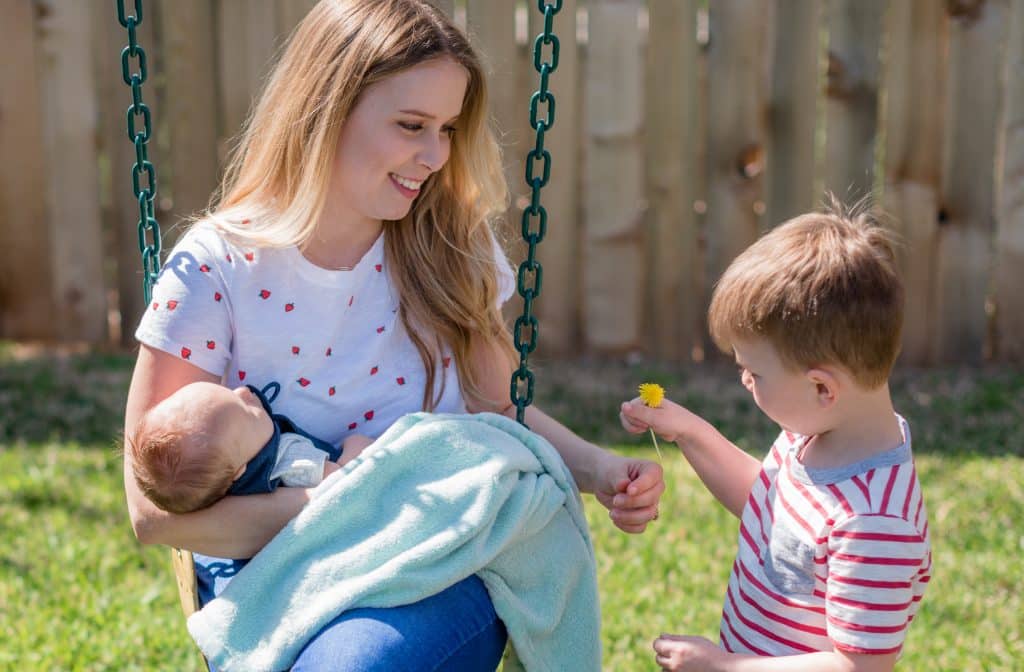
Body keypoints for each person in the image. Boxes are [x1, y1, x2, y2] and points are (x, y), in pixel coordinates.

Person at [122, 1, 664, 670]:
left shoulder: (449, 250)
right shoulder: (215, 269)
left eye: (447, 129)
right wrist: (336, 505)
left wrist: (600, 469)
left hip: (432, 558)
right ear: (325, 110)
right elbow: (153, 514)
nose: (434, 155)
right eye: (411, 126)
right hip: (273, 569)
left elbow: (499, 409)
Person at [621, 203, 931, 672]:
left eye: (755, 372)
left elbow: (860, 666)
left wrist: (724, 667)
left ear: (822, 387)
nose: (744, 380)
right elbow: (768, 504)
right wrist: (689, 431)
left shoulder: (874, 522)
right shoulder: (815, 433)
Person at [126, 381, 373, 514]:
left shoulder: (228, 471)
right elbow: (344, 480)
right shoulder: (289, 463)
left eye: (229, 391)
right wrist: (355, 445)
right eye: (247, 412)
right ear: (239, 471)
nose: (244, 391)